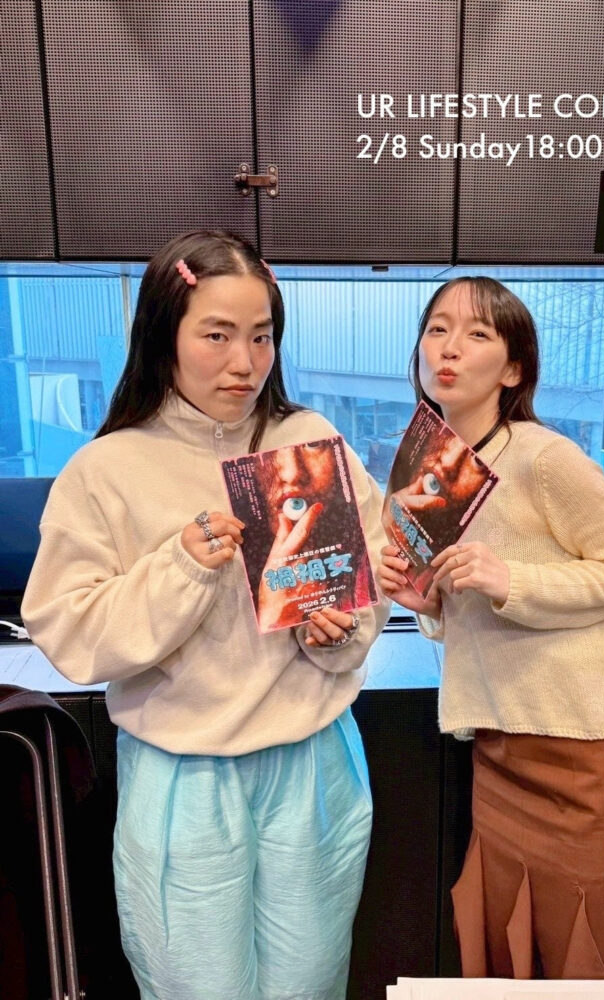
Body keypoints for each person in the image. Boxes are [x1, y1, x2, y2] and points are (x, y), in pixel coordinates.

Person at [22, 230, 390, 1000]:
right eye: (217, 335)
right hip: (183, 775)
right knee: (196, 987)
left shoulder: (307, 442)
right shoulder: (107, 469)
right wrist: (181, 567)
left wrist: (335, 627)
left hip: (313, 761)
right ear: (165, 333)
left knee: (313, 983)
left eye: (261, 336)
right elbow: (71, 633)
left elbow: (368, 582)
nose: (244, 363)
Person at [377, 276, 604, 984]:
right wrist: (425, 601)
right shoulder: (424, 469)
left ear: (514, 369)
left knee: (595, 951)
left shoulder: (543, 456)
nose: (449, 348)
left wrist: (512, 580)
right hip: (499, 744)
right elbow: (461, 611)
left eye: (477, 334)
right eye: (437, 329)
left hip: (588, 745)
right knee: (507, 943)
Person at [236, 437, 378, 632]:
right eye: (263, 455)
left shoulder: (363, 558)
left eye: (313, 446)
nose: (292, 473)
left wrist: (348, 635)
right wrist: (274, 617)